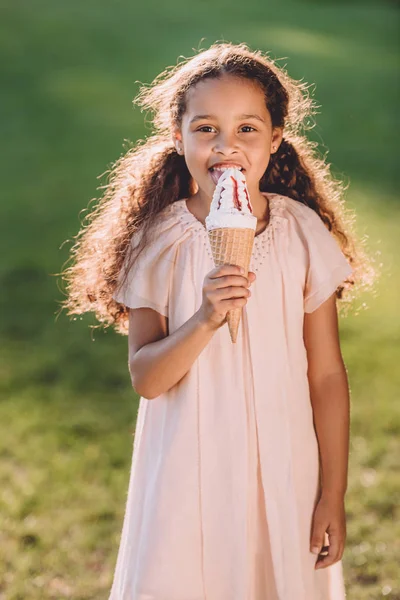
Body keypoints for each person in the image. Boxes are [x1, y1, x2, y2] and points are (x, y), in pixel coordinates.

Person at [61, 42, 374, 599]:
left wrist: (333, 494)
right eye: (206, 128)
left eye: (247, 129)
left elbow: (326, 375)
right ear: (177, 137)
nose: (226, 146)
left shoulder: (300, 232)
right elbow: (148, 378)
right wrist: (205, 318)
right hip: (189, 466)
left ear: (276, 139)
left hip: (284, 465)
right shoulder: (158, 243)